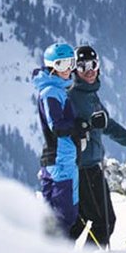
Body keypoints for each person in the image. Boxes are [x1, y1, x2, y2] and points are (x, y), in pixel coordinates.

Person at [66, 43, 126, 247]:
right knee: (103, 223)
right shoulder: (72, 97)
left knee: (77, 224)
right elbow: (61, 131)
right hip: (83, 168)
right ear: (75, 70)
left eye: (93, 65)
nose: (89, 71)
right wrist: (81, 128)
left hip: (88, 168)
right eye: (83, 67)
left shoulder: (89, 95)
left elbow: (109, 126)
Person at [33, 43, 85, 240]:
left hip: (57, 159)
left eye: (71, 63)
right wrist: (78, 126)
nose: (68, 69)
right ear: (52, 66)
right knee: (65, 214)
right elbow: (57, 126)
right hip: (61, 160)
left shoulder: (55, 89)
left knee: (52, 214)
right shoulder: (51, 92)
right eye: (62, 64)